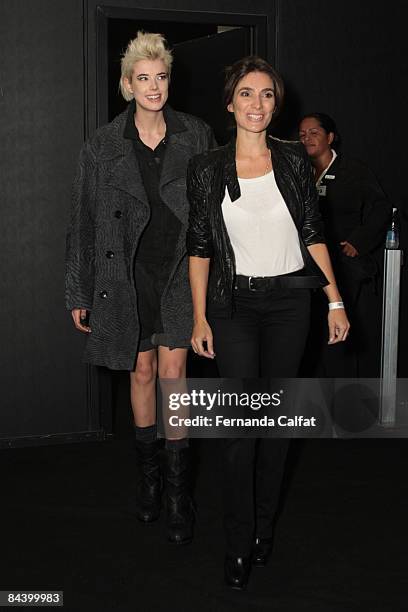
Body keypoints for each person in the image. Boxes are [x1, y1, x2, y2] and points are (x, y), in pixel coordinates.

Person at [186, 57, 349, 589]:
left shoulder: (295, 161)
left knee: (275, 426)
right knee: (237, 429)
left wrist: (334, 301)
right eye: (247, 94)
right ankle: (238, 539)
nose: (257, 104)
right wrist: (199, 317)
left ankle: (263, 529)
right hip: (232, 307)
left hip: (288, 307)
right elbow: (200, 246)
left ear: (275, 105)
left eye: (267, 95)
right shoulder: (206, 168)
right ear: (230, 103)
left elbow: (312, 232)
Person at [65, 31, 215, 545]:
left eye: (162, 77)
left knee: (176, 373)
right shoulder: (102, 145)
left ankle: (177, 493)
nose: (154, 87)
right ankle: (149, 482)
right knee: (142, 370)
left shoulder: (196, 134)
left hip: (176, 271)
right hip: (124, 276)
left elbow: (218, 210)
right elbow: (83, 222)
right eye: (144, 78)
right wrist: (79, 291)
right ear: (127, 84)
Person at [298, 113, 391, 377]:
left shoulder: (353, 170)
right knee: (309, 336)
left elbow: (381, 208)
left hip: (343, 266)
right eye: (302, 134)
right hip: (306, 268)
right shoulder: (299, 172)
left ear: (330, 137)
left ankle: (345, 405)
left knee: (337, 339)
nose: (307, 138)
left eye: (314, 132)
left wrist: (358, 242)